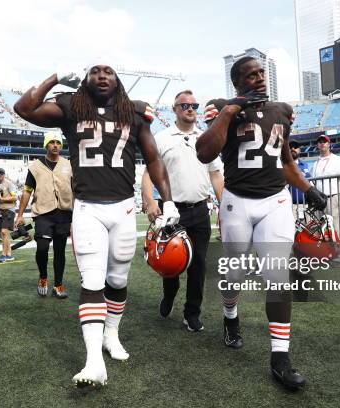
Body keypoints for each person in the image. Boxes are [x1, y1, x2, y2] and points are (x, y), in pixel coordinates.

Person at [14, 62, 179, 388]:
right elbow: (24, 108)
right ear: (85, 82)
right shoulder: (71, 108)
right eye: (95, 72)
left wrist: (168, 199)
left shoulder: (134, 112)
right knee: (91, 279)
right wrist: (56, 76)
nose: (102, 75)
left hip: (123, 209)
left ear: (118, 81)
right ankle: (93, 361)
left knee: (117, 278)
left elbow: (154, 158)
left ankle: (111, 335)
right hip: (88, 208)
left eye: (108, 72)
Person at [196, 56, 326, 391]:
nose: (259, 79)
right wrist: (228, 111)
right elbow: (204, 153)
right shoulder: (223, 107)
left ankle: (280, 357)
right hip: (237, 201)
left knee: (277, 275)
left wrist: (308, 188)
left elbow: (285, 161)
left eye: (261, 73)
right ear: (237, 81)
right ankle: (230, 316)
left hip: (276, 201)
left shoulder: (282, 110)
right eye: (250, 75)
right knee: (234, 273)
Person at [141, 89, 224, 332]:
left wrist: (226, 207)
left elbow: (216, 175)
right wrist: (150, 200)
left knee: (199, 264)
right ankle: (169, 294)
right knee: (170, 264)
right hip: (171, 210)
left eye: (194, 106)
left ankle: (192, 313)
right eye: (185, 105)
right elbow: (148, 174)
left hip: (199, 210)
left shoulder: (207, 137)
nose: (190, 109)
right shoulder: (162, 137)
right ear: (175, 109)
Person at [15, 131, 73, 299]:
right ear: (46, 145)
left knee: (60, 251)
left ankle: (58, 284)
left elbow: (76, 189)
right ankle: (42, 277)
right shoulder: (35, 167)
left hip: (63, 213)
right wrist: (20, 215)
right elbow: (27, 191)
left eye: (58, 142)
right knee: (42, 248)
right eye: (52, 142)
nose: (55, 145)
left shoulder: (68, 165)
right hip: (43, 213)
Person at [310, 135, 340, 246]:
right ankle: (329, 255)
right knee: (323, 229)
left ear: (329, 144)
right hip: (319, 201)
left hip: (333, 198)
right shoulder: (315, 163)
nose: (322, 143)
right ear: (317, 145)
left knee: (337, 227)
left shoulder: (337, 160)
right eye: (320, 142)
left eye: (324, 142)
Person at [0, 168, 17, 262]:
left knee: (3, 232)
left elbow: (15, 197)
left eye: (1, 173)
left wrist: (2, 200)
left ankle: (3, 254)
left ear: (4, 174)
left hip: (9, 210)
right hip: (1, 210)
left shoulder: (9, 184)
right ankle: (9, 254)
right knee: (4, 234)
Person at [288, 140, 311, 216]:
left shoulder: (305, 165)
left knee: (309, 227)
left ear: (299, 150)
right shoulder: (283, 166)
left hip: (306, 205)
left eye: (296, 147)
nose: (293, 149)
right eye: (290, 147)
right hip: (291, 206)